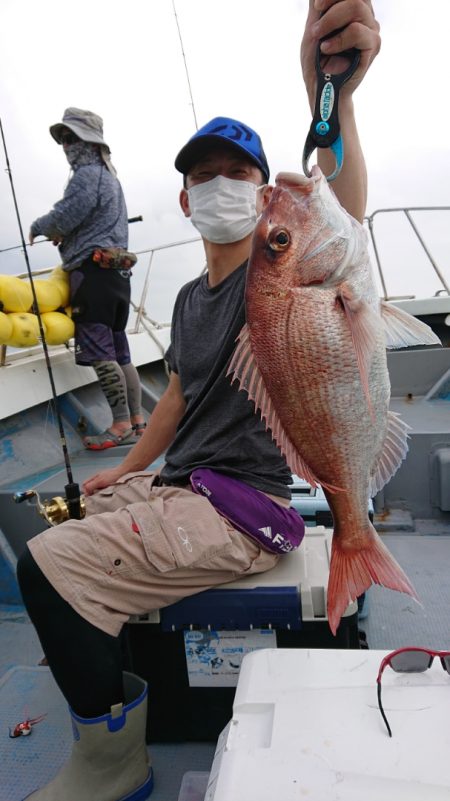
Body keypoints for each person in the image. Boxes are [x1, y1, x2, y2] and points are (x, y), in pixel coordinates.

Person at [17, 3, 381, 799]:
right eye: (203, 175)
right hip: (186, 483)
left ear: (262, 195)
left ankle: (112, 764)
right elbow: (177, 394)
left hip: (243, 504)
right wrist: (129, 470)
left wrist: (332, 98)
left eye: (239, 173)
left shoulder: (282, 273)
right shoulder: (186, 296)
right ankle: (111, 664)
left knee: (44, 566)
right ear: (183, 200)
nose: (220, 185)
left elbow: (342, 211)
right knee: (64, 513)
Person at [29, 107, 146, 450]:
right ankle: (138, 421)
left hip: (92, 277)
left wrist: (41, 227)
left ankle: (120, 423)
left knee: (99, 352)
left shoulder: (87, 176)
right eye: (63, 139)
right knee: (120, 351)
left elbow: (67, 214)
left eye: (71, 138)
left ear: (89, 143)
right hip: (117, 277)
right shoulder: (111, 178)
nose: (65, 146)